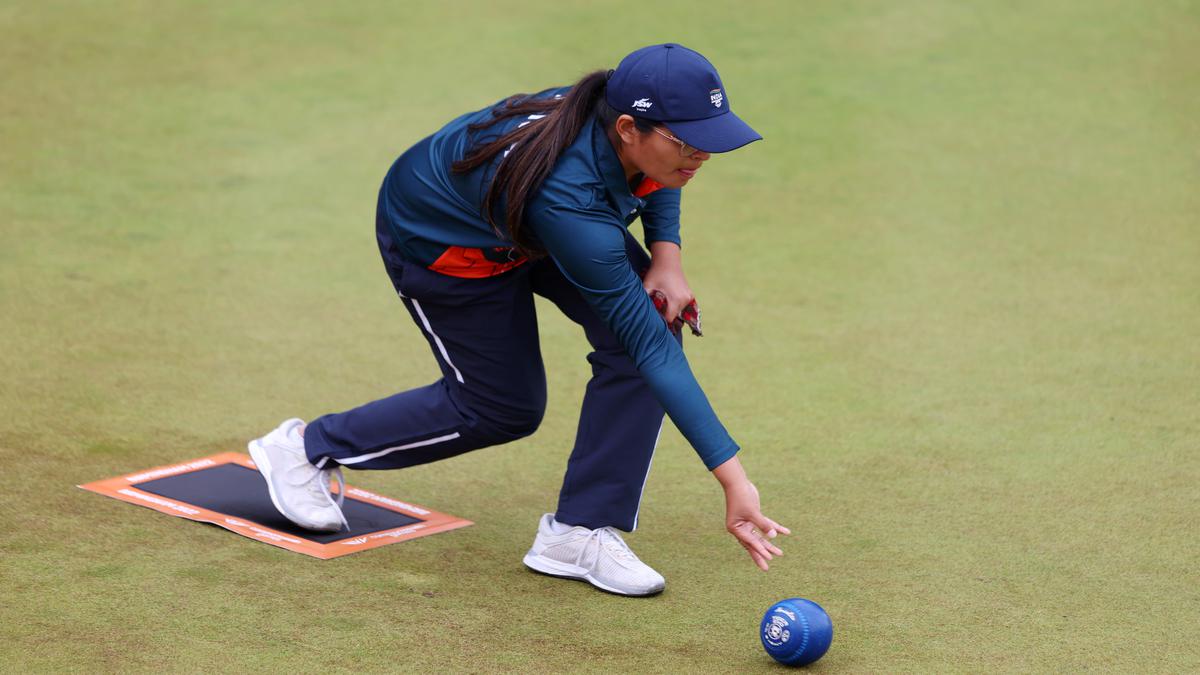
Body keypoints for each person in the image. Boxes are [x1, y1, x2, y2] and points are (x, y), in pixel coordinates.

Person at [248, 43, 789, 596]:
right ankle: (306, 447)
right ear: (629, 127)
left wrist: (667, 256)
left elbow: (660, 176)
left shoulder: (614, 119)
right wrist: (734, 480)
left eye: (709, 136)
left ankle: (579, 531)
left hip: (530, 224)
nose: (703, 153)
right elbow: (651, 350)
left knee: (654, 315)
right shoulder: (567, 193)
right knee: (503, 407)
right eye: (689, 140)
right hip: (446, 243)